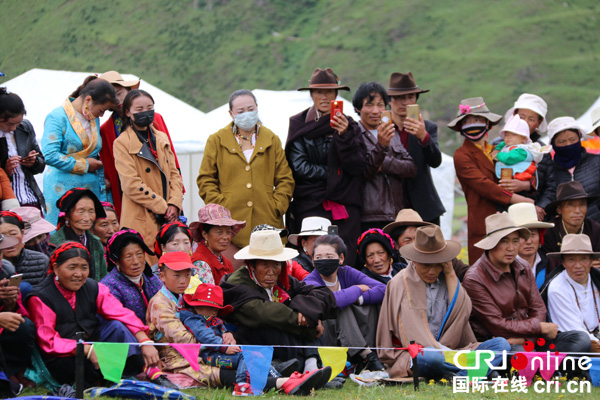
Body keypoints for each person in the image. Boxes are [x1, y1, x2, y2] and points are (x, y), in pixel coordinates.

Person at [377, 225, 510, 379]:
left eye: (438, 264)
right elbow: (403, 332)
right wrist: (442, 352)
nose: (432, 271)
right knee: (431, 358)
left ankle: (458, 376)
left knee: (501, 345)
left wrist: (450, 272)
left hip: (455, 350)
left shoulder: (447, 278)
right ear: (414, 260)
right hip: (418, 354)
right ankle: (471, 371)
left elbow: (464, 311)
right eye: (426, 265)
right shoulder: (399, 282)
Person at [26, 241, 160, 387]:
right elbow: (49, 341)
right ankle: (116, 375)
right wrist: (86, 349)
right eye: (72, 267)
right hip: (63, 356)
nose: (79, 274)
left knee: (116, 327)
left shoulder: (93, 287)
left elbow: (120, 313)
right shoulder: (40, 297)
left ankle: (142, 369)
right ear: (56, 268)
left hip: (93, 345)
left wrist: (144, 341)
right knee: (81, 366)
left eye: (84, 267)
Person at [463, 212, 591, 353]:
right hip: (501, 344)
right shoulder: (475, 278)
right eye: (504, 241)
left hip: (530, 339)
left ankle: (546, 367)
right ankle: (548, 369)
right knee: (521, 354)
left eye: (515, 241)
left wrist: (527, 339)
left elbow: (539, 309)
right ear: (491, 244)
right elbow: (497, 325)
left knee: (580, 339)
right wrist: (540, 328)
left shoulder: (522, 265)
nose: (511, 248)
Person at [198, 89, 294, 268]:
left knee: (269, 277)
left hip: (267, 225)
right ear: (231, 113)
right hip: (230, 228)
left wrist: (276, 206)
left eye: (250, 109)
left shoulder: (271, 139)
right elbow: (206, 180)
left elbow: (285, 179)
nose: (246, 114)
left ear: (257, 108)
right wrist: (222, 208)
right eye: (240, 111)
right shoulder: (217, 140)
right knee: (233, 280)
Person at [180, 283, 330, 395]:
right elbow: (205, 337)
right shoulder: (194, 320)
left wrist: (227, 335)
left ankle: (282, 373)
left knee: (253, 352)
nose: (212, 311)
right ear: (197, 307)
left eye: (215, 308)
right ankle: (243, 384)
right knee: (246, 356)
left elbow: (222, 329)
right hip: (209, 356)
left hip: (222, 351)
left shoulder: (215, 320)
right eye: (207, 307)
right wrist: (223, 346)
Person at [221, 230, 338, 371]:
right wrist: (306, 321)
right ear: (252, 265)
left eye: (276, 264)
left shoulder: (281, 279)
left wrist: (308, 312)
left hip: (288, 339)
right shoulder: (237, 283)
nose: (271, 272)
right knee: (273, 325)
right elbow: (264, 313)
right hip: (253, 340)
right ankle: (306, 366)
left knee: (308, 310)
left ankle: (310, 365)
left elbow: (320, 292)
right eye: (265, 265)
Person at [286, 68, 366, 266]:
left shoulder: (350, 126)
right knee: (314, 258)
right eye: (319, 92)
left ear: (336, 95)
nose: (324, 97)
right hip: (311, 202)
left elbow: (357, 167)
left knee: (345, 259)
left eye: (329, 92)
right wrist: (336, 175)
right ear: (311, 95)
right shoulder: (298, 124)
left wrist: (345, 136)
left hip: (344, 205)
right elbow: (299, 167)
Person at [451, 97, 534, 264]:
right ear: (460, 127)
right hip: (484, 223)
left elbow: (526, 170)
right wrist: (522, 200)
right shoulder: (461, 155)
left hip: (511, 218)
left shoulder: (499, 150)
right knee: (484, 273)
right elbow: (484, 185)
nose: (473, 125)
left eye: (478, 120)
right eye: (468, 121)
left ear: (488, 124)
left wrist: (526, 185)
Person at [98, 71, 183, 218]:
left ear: (128, 90)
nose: (117, 99)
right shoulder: (106, 129)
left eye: (119, 93)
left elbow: (172, 162)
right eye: (111, 97)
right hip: (133, 193)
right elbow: (112, 170)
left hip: (164, 189)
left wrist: (175, 199)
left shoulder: (155, 118)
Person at [114, 89, 183, 265]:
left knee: (172, 265)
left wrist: (175, 203)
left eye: (149, 107)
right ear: (128, 112)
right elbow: (130, 184)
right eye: (139, 109)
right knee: (145, 266)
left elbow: (174, 173)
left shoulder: (161, 137)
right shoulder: (122, 142)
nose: (146, 112)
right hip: (141, 216)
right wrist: (162, 206)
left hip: (168, 215)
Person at [303, 234, 387, 373]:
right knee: (339, 306)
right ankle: (366, 356)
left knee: (366, 303)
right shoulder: (310, 280)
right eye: (318, 258)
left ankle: (367, 355)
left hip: (354, 334)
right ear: (312, 260)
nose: (324, 261)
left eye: (329, 257)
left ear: (341, 258)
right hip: (326, 338)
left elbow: (383, 289)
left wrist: (358, 299)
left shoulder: (347, 272)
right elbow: (330, 301)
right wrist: (357, 289)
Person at [42, 76, 116, 225]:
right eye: (101, 110)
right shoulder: (57, 117)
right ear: (88, 100)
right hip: (61, 187)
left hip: (91, 188)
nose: (101, 115)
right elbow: (49, 155)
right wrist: (85, 165)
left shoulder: (91, 116)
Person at [352, 82, 416, 231]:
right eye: (369, 105)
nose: (375, 110)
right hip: (369, 215)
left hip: (396, 213)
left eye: (380, 105)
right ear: (358, 108)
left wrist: (383, 164)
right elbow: (364, 172)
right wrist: (381, 146)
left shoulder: (391, 133)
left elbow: (411, 168)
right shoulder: (353, 135)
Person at [386, 72, 444, 225]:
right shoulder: (382, 129)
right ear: (390, 101)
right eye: (399, 98)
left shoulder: (428, 127)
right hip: (389, 207)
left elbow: (435, 161)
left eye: (410, 97)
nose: (405, 102)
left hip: (423, 206)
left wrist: (423, 136)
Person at [543, 234, 600, 353]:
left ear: (591, 261)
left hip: (596, 337)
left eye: (583, 259)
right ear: (563, 263)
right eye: (571, 260)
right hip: (571, 341)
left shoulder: (597, 278)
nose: (578, 266)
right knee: (582, 341)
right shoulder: (557, 288)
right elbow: (572, 328)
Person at [383, 209, 470, 281]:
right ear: (396, 245)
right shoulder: (392, 264)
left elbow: (467, 273)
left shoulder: (440, 255)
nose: (413, 244)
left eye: (418, 238)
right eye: (407, 240)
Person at [100, 229, 163, 322]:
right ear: (117, 261)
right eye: (128, 256)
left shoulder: (151, 278)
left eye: (139, 254)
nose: (136, 262)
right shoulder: (109, 287)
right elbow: (118, 323)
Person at [545, 117, 600, 222]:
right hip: (564, 231)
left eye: (572, 139)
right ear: (553, 144)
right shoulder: (550, 169)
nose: (568, 145)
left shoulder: (596, 162)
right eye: (562, 141)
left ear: (579, 138)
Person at [49, 188, 108, 282]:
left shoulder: (96, 242)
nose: (87, 218)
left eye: (91, 211)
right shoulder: (54, 243)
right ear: (67, 215)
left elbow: (103, 277)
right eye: (81, 211)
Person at [0, 88, 45, 211]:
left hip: (31, 199)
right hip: (6, 203)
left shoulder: (25, 127)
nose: (14, 128)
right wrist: (6, 170)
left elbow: (41, 163)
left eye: (18, 123)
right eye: (9, 124)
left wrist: (34, 161)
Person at [542, 181, 600, 272]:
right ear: (559, 209)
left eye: (582, 204)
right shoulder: (549, 232)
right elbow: (548, 264)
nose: (577, 211)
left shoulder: (595, 230)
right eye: (570, 205)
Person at [189, 204, 246, 284]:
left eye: (228, 232)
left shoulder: (226, 263)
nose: (225, 237)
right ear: (205, 234)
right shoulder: (201, 264)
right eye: (219, 232)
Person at [507, 203, 554, 290]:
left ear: (540, 237)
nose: (528, 241)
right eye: (522, 236)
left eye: (533, 234)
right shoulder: (505, 267)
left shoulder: (552, 264)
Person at [493, 115, 551, 181]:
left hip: (518, 179)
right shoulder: (509, 144)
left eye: (513, 134)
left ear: (523, 138)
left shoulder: (522, 150)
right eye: (506, 134)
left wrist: (497, 155)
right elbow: (502, 144)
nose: (509, 137)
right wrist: (497, 149)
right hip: (508, 177)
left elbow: (508, 158)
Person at [0, 211, 49, 286]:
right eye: (2, 236)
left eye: (13, 234)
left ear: (22, 233)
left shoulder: (41, 261)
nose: (9, 240)